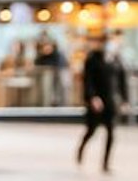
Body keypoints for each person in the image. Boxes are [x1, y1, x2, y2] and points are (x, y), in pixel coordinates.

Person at [79, 35, 129, 173]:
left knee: (111, 132)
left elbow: (123, 82)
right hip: (97, 101)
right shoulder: (92, 59)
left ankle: (105, 163)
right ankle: (81, 149)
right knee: (91, 131)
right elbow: (87, 80)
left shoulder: (117, 60)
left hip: (111, 101)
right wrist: (92, 97)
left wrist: (125, 100)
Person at [33, 31, 67, 106]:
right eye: (45, 46)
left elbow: (61, 65)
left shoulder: (57, 55)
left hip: (56, 78)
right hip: (43, 80)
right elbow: (37, 64)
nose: (47, 48)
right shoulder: (40, 56)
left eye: (48, 45)